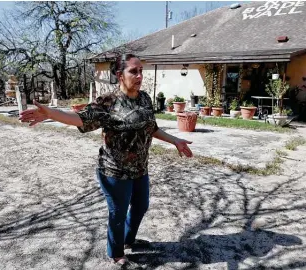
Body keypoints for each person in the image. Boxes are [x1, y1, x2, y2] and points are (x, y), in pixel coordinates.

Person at [19, 53, 193, 269]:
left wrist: (175, 140)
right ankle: (116, 252)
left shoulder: (145, 98)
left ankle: (128, 239)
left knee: (141, 206)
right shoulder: (108, 102)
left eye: (141, 71)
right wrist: (51, 114)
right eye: (133, 71)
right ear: (120, 75)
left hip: (139, 168)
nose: (139, 76)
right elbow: (80, 118)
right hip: (114, 172)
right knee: (118, 213)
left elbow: (151, 128)